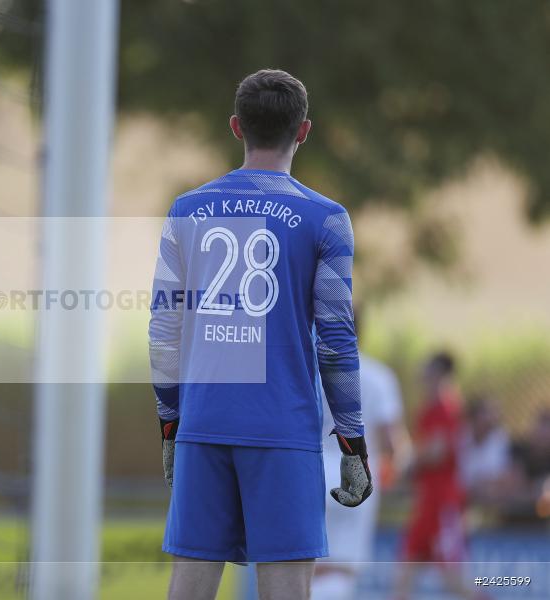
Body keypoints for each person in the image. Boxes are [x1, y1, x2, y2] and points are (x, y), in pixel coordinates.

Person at [149, 69, 372, 600]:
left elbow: (163, 329)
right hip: (282, 426)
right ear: (303, 131)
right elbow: (336, 340)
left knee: (190, 586)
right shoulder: (326, 218)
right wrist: (352, 441)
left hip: (204, 421)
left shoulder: (187, 210)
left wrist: (169, 422)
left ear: (235, 127)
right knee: (286, 589)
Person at [311, 308, 409, 600]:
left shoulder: (311, 373)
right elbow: (394, 444)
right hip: (358, 476)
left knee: (308, 561)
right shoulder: (379, 377)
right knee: (344, 565)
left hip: (312, 470)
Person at [394, 352, 483, 600]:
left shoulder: (446, 406)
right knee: (404, 573)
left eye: (427, 369)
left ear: (439, 373)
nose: (422, 374)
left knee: (453, 581)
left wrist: (409, 460)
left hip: (443, 504)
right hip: (428, 503)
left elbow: (438, 451)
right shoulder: (432, 406)